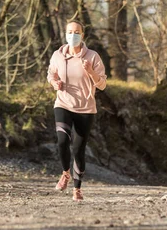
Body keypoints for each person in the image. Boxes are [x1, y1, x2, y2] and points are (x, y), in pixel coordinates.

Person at [46, 20, 107, 201]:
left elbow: (102, 84)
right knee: (62, 141)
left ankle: (77, 189)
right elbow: (51, 73)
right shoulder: (58, 55)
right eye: (70, 32)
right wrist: (54, 82)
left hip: (85, 108)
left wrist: (91, 72)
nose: (73, 35)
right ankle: (65, 173)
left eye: (77, 32)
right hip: (63, 103)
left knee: (78, 149)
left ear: (82, 35)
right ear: (66, 34)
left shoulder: (93, 57)